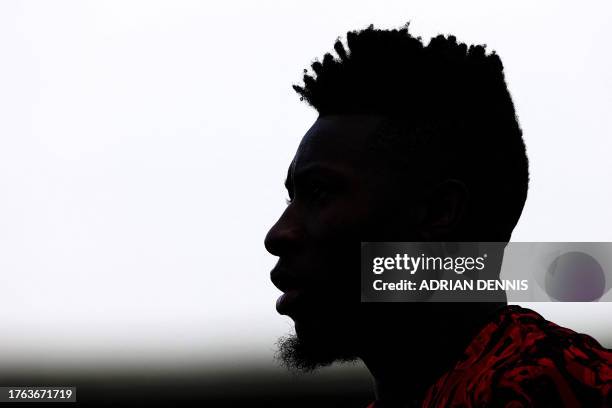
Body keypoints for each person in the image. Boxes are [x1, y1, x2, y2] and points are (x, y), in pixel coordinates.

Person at [264, 24, 611, 407]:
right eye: (290, 199)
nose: (277, 234)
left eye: (319, 193)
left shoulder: (538, 385)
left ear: (439, 212)